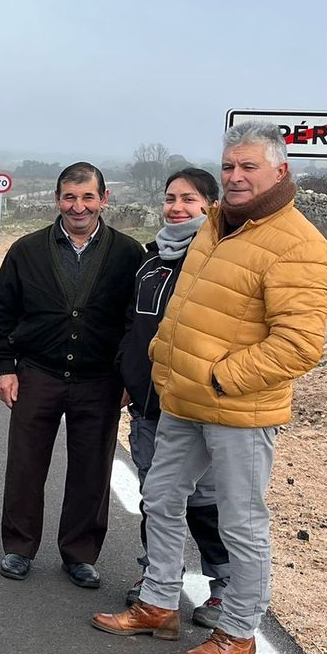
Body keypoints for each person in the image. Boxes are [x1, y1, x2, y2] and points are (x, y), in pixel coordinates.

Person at [93, 121, 327, 654]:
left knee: (240, 522)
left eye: (249, 166)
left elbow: (299, 345)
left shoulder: (300, 246)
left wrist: (222, 378)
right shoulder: (216, 224)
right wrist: (164, 362)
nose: (236, 176)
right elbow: (187, 306)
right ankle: (157, 602)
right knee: (160, 499)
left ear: (280, 170)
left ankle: (239, 630)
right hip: (182, 399)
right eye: (229, 166)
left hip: (240, 410)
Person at [0, 163, 144, 588]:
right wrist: (4, 367)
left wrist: (129, 376)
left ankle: (79, 553)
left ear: (103, 200)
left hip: (100, 379)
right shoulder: (27, 250)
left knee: (92, 469)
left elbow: (137, 322)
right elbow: (1, 311)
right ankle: (18, 547)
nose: (79, 206)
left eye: (88, 197)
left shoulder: (130, 254)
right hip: (37, 373)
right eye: (70, 197)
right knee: (25, 464)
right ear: (58, 200)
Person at [117, 168, 229, 626]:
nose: (178, 207)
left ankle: (224, 586)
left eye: (189, 199)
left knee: (205, 500)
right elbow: (132, 324)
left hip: (199, 405)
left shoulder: (218, 262)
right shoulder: (150, 262)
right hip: (149, 404)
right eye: (171, 198)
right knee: (156, 496)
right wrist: (127, 374)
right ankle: (158, 580)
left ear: (210, 205)